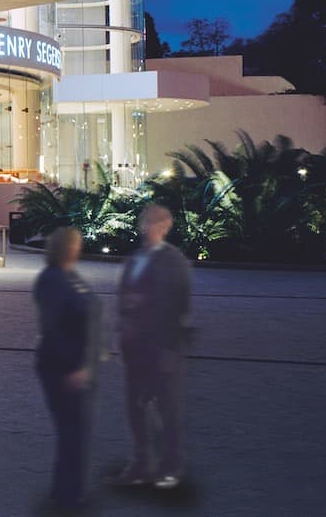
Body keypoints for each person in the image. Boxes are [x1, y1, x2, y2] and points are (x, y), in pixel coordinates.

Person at [114, 201, 193, 491]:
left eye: (151, 223)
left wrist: (169, 344)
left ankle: (170, 466)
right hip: (135, 347)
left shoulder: (174, 260)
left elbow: (180, 303)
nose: (145, 228)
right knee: (135, 407)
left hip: (162, 347)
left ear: (163, 227)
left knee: (166, 410)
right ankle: (141, 463)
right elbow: (124, 296)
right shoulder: (136, 259)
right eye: (144, 223)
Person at [33, 226, 98, 512]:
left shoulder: (69, 276)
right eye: (75, 244)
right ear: (65, 247)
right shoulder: (52, 280)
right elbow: (54, 328)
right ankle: (68, 497)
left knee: (74, 431)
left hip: (72, 364)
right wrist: (72, 368)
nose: (78, 248)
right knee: (72, 431)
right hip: (60, 367)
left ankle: (67, 491)